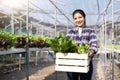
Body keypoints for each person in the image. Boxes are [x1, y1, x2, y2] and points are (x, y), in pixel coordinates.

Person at [66, 9, 98, 80]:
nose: (78, 20)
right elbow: (66, 45)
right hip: (72, 63)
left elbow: (94, 45)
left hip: (86, 62)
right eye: (75, 18)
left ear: (84, 17)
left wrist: (91, 51)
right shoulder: (70, 32)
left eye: (80, 17)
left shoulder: (90, 31)